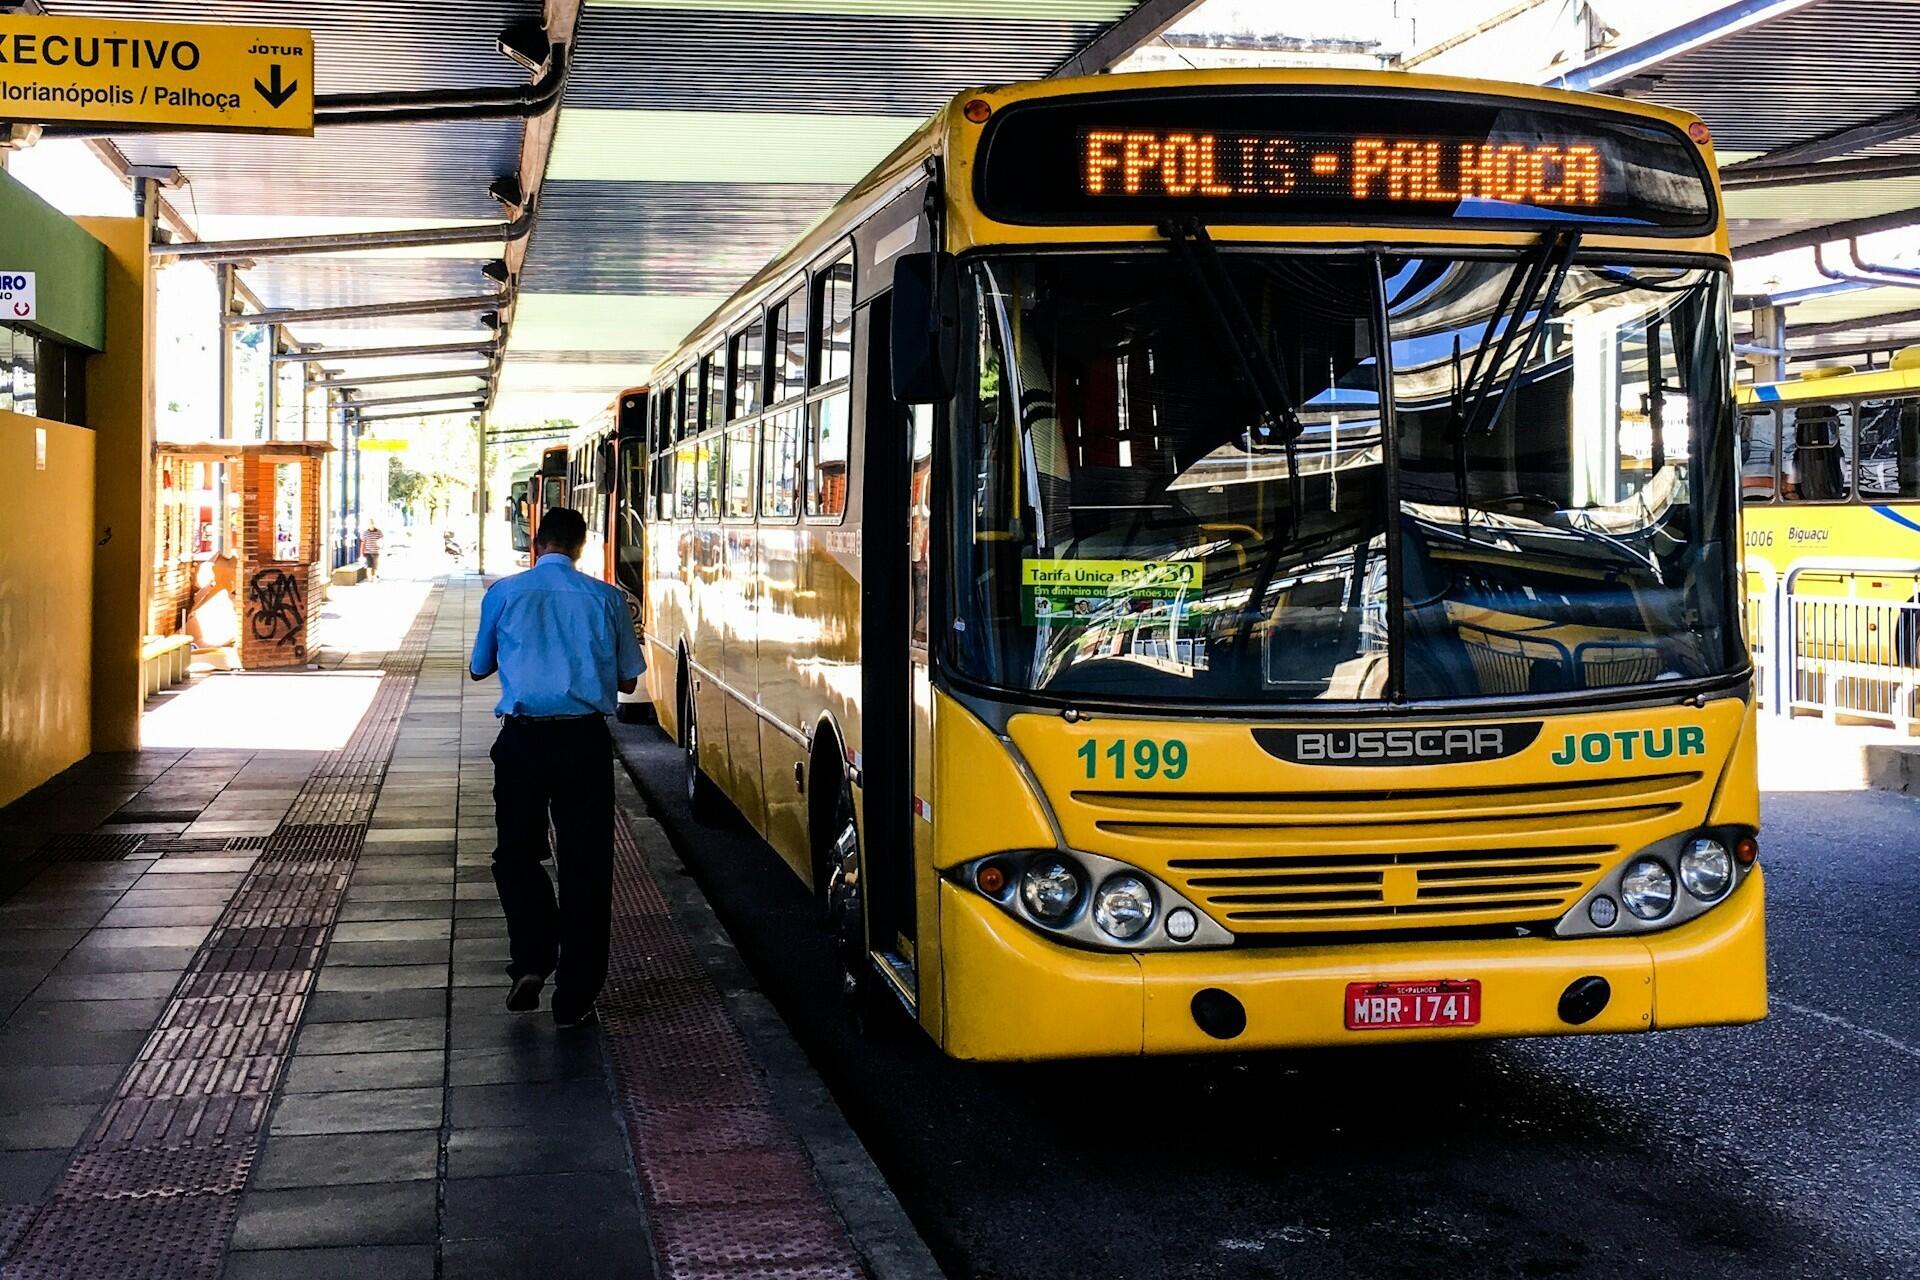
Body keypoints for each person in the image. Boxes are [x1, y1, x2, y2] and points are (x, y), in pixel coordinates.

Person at [468, 507, 645, 1027]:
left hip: (522, 744)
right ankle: (574, 999)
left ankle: (532, 956)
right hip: (584, 744)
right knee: (586, 867)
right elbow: (630, 682)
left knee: (515, 856)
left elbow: (480, 668)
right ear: (581, 548)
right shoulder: (608, 598)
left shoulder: (503, 593)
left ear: (536, 544)